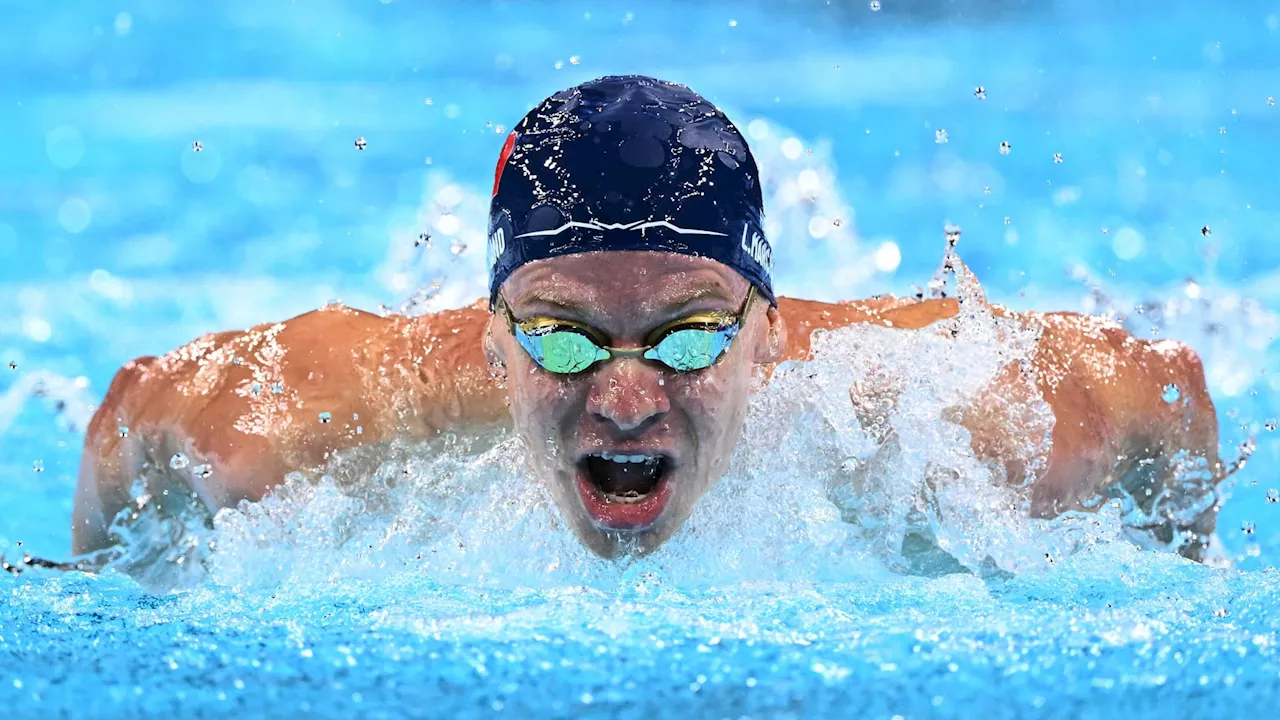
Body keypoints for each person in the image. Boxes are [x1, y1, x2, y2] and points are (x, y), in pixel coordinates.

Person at [70, 75, 1223, 567]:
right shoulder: (303, 419)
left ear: (768, 332)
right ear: (485, 334)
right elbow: (132, 410)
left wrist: (1184, 565)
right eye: (562, 340)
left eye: (688, 338)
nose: (624, 400)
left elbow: (1162, 385)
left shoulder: (972, 415)